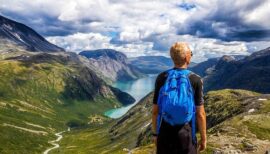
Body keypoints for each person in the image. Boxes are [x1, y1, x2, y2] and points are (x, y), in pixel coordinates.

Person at [151, 42, 207, 154]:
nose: (191, 55)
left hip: (165, 133)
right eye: (191, 53)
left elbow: (155, 112)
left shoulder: (162, 77)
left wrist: (155, 134)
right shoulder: (195, 79)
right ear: (187, 57)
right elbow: (200, 114)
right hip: (186, 134)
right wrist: (203, 139)